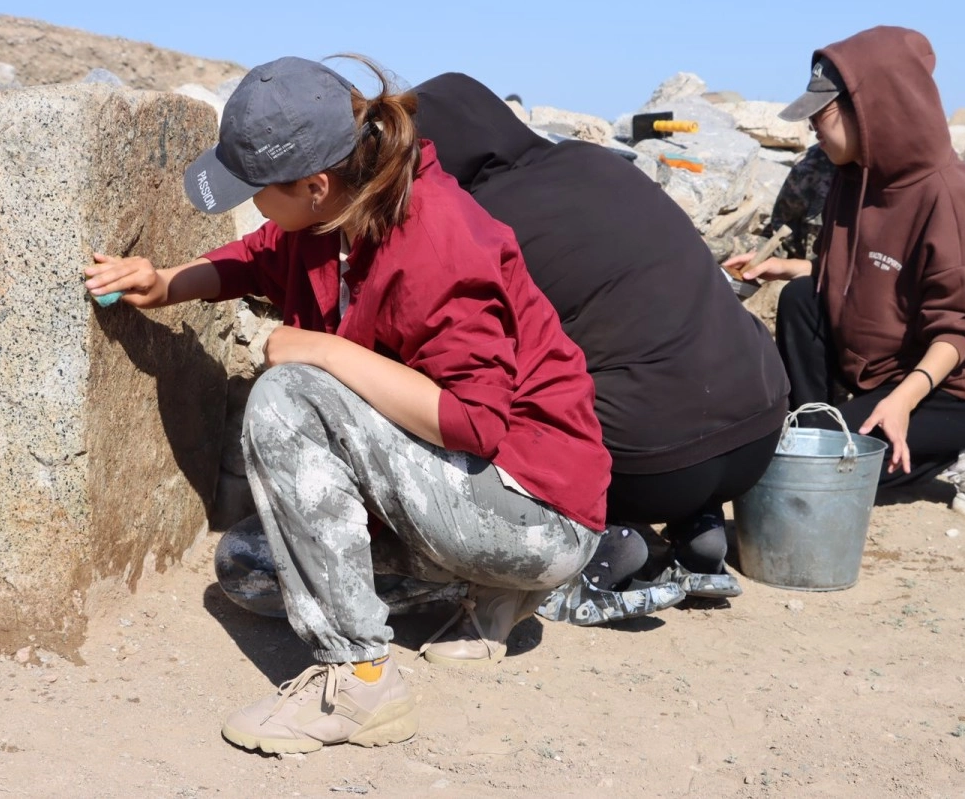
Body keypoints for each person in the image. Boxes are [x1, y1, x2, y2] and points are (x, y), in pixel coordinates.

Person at [85, 56, 610, 754]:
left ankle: (363, 679)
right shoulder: (329, 215)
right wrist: (165, 283)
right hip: (460, 497)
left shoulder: (441, 241)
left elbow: (477, 423)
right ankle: (479, 595)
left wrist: (325, 353)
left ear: (315, 183)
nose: (251, 203)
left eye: (256, 188)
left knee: (287, 394)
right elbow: (255, 257)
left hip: (538, 512)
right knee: (249, 566)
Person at [410, 73, 789, 620]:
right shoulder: (599, 163)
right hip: (759, 432)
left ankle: (601, 544)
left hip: (649, 465)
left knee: (482, 407)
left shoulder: (478, 221)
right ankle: (700, 529)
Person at [725, 26, 965, 516]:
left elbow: (960, 328)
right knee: (800, 298)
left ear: (872, 108)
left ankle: (948, 453)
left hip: (943, 387)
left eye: (823, 112)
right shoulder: (851, 175)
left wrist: (902, 401)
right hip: (875, 372)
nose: (812, 125)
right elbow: (876, 272)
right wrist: (788, 267)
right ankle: (816, 425)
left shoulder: (947, 194)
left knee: (823, 484)